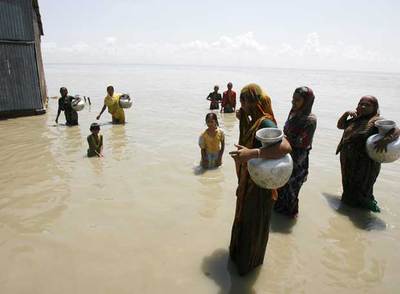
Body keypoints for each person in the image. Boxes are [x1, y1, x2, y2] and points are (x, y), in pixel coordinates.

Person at [229, 84, 292, 275]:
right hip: (248, 183)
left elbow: (286, 146)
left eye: (247, 99)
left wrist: (252, 153)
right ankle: (238, 258)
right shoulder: (253, 120)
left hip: (259, 186)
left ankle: (247, 265)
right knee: (244, 219)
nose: (243, 104)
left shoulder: (266, 122)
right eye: (241, 99)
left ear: (257, 102)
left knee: (253, 223)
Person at [336, 95, 399, 212]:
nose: (363, 106)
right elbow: (340, 125)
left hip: (365, 163)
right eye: (361, 104)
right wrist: (346, 114)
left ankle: (366, 215)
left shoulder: (376, 120)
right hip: (348, 159)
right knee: (348, 185)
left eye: (367, 105)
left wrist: (386, 140)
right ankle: (350, 213)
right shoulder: (357, 118)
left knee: (363, 188)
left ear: (374, 108)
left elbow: (396, 130)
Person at [274, 87, 317, 218]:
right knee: (281, 185)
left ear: (307, 101)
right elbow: (286, 130)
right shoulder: (293, 112)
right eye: (293, 99)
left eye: (297, 100)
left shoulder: (310, 120)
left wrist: (284, 139)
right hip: (285, 153)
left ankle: (289, 217)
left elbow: (302, 143)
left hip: (298, 159)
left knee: (292, 189)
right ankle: (277, 214)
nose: (293, 102)